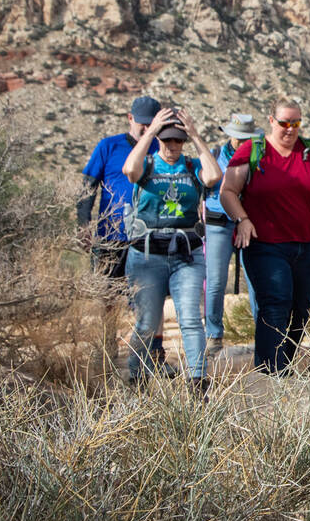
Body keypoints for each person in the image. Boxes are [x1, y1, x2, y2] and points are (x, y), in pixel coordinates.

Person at [218, 96, 310, 374]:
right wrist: (242, 219)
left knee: (300, 308)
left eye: (296, 123)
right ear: (271, 121)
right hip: (265, 245)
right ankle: (269, 373)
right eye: (284, 123)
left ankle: (285, 366)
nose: (290, 129)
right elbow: (227, 191)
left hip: (305, 245)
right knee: (275, 305)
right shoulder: (253, 151)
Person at [121, 107, 222, 390]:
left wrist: (197, 136)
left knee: (190, 318)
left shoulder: (190, 167)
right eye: (168, 140)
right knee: (147, 321)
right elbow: (129, 170)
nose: (173, 146)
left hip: (185, 256)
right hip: (146, 255)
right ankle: (137, 380)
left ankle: (197, 382)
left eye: (179, 140)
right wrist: (152, 130)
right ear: (159, 140)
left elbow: (213, 176)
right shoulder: (150, 165)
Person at [78, 95, 170, 374]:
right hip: (110, 234)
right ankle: (107, 347)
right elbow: (87, 188)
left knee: (151, 295)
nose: (145, 129)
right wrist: (83, 225)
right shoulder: (108, 146)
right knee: (106, 294)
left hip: (148, 237)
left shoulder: (162, 147)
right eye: (141, 124)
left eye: (149, 124)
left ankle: (153, 351)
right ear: (130, 119)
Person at [202, 113, 261, 359]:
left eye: (244, 138)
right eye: (237, 137)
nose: (240, 141)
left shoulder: (258, 158)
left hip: (247, 221)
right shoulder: (214, 157)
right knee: (215, 281)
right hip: (218, 223)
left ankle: (264, 334)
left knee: (256, 280)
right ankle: (213, 335)